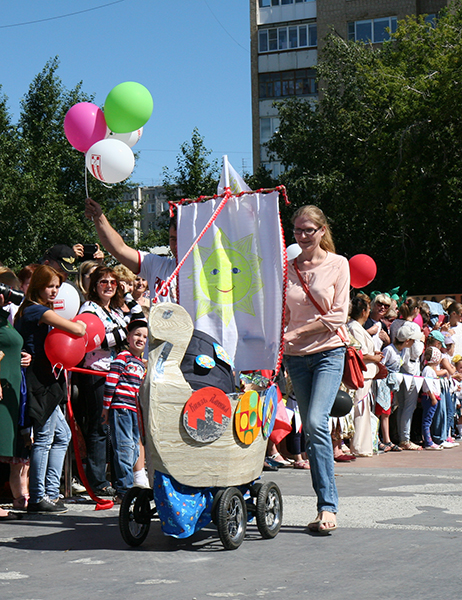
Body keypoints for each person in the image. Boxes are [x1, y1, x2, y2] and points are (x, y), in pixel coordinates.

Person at [283, 205, 349, 534]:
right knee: (311, 431)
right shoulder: (287, 268)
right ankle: (323, 501)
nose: (303, 235)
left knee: (314, 421)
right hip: (295, 357)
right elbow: (281, 312)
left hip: (328, 352)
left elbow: (338, 315)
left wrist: (297, 332)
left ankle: (328, 506)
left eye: (309, 229)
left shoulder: (338, 264)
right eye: (297, 230)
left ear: (322, 231)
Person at [14, 265, 87, 513]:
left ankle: (51, 493)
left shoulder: (33, 309)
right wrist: (83, 324)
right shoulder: (36, 310)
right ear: (38, 287)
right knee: (44, 438)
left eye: (57, 286)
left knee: (63, 435)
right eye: (50, 286)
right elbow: (76, 329)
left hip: (47, 378)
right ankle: (38, 497)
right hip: (38, 381)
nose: (55, 291)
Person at [77, 265, 130, 496]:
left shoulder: (117, 311)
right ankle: (97, 482)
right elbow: (89, 340)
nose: (108, 286)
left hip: (118, 373)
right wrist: (119, 337)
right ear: (94, 285)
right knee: (99, 426)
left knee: (117, 428)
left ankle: (120, 479)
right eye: (103, 282)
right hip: (97, 373)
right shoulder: (89, 308)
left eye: (113, 282)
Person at [84, 197, 177, 303]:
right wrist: (98, 217)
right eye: (173, 239)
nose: (176, 245)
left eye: (181, 239)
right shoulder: (157, 265)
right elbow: (119, 249)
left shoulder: (200, 271)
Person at [101, 319, 148, 503]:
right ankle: (124, 489)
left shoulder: (139, 363)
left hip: (135, 410)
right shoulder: (122, 357)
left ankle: (129, 487)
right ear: (128, 337)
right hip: (121, 408)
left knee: (134, 448)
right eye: (137, 334)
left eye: (144, 337)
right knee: (124, 448)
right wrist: (106, 407)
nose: (140, 339)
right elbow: (111, 382)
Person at [347, 294, 383, 457]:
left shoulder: (358, 327)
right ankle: (359, 446)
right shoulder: (354, 327)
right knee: (359, 409)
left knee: (364, 409)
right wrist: (373, 357)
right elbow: (356, 352)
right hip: (361, 373)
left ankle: (363, 445)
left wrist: (374, 355)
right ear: (363, 311)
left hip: (368, 374)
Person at [421, 346, 446, 450]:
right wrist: (432, 397)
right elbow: (427, 385)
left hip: (433, 397)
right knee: (427, 420)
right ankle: (428, 442)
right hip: (429, 398)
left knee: (429, 419)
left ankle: (429, 439)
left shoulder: (431, 370)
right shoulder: (427, 370)